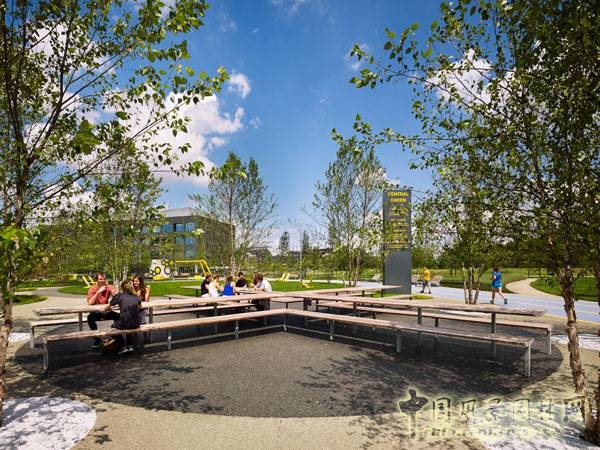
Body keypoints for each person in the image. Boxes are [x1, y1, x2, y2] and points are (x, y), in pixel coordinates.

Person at [108, 280, 142, 355]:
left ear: (122, 288)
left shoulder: (119, 295)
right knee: (128, 321)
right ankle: (130, 345)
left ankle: (122, 346)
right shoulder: (136, 296)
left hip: (126, 323)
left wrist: (109, 308)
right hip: (137, 323)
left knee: (113, 326)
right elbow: (140, 307)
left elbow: (109, 305)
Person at [86, 272, 119, 349]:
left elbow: (116, 298)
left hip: (106, 311)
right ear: (96, 280)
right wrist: (98, 292)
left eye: (104, 279)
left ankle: (114, 337)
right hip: (96, 312)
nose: (103, 281)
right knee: (90, 318)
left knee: (119, 317)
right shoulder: (92, 289)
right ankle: (97, 340)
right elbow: (90, 303)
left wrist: (114, 293)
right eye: (100, 279)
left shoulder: (108, 287)